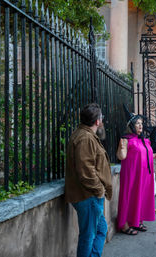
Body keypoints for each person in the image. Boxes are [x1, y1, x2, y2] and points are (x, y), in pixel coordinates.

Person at [65, 103, 112, 257]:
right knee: (88, 236)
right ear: (97, 121)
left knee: (100, 230)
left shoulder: (85, 135)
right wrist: (99, 191)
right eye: (101, 118)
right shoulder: (85, 138)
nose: (102, 121)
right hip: (88, 195)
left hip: (89, 195)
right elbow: (86, 171)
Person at [116, 108, 156, 235]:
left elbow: (146, 155)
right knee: (128, 196)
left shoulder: (145, 140)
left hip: (144, 175)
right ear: (131, 125)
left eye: (141, 123)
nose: (140, 125)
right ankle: (124, 224)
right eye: (137, 123)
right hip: (132, 174)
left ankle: (137, 221)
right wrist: (121, 147)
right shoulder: (126, 139)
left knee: (141, 196)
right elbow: (121, 156)